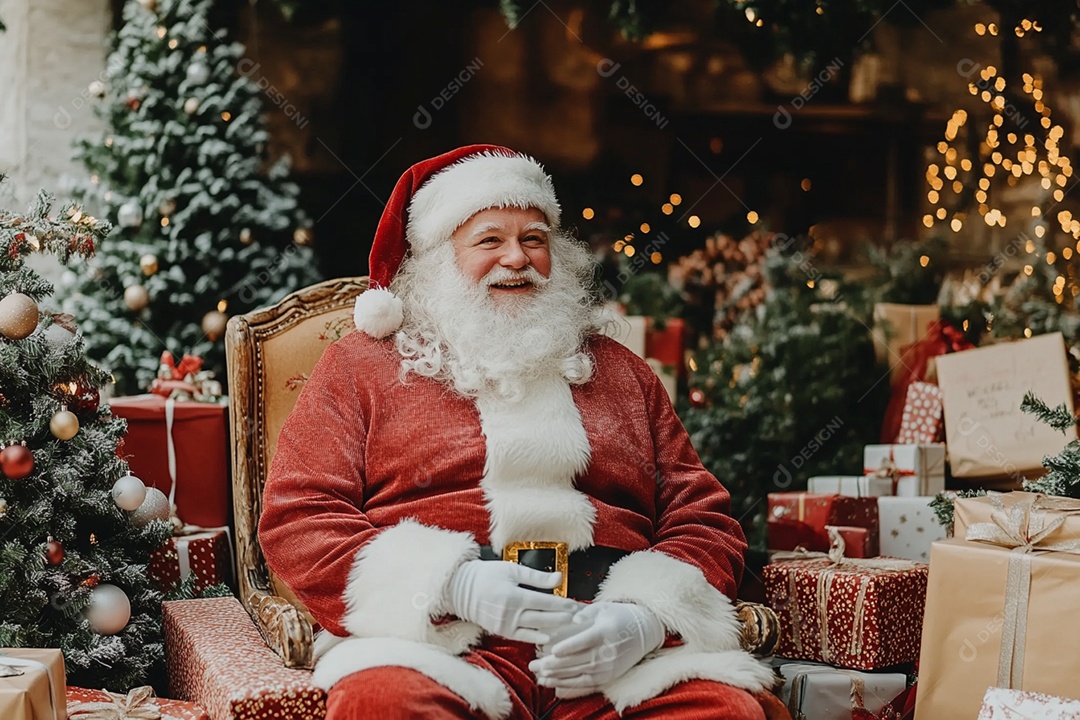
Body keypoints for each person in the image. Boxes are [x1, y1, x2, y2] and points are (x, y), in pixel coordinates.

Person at [259, 145, 782, 720]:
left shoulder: (622, 372)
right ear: (437, 257)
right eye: (489, 240)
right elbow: (299, 516)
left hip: (611, 654)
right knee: (383, 706)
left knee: (725, 713)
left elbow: (702, 518)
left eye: (534, 238)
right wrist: (451, 585)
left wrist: (643, 619)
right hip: (441, 646)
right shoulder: (361, 366)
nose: (517, 258)